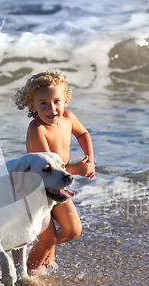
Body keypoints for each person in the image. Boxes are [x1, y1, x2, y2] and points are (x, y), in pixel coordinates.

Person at [12, 69, 95, 274]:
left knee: (73, 231)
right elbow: (48, 169)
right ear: (32, 105)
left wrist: (90, 160)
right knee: (47, 239)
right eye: (43, 103)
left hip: (57, 188)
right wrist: (77, 169)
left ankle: (40, 254)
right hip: (38, 190)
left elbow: (83, 133)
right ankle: (27, 275)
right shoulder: (37, 129)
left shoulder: (69, 118)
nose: (52, 108)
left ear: (65, 100)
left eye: (57, 101)